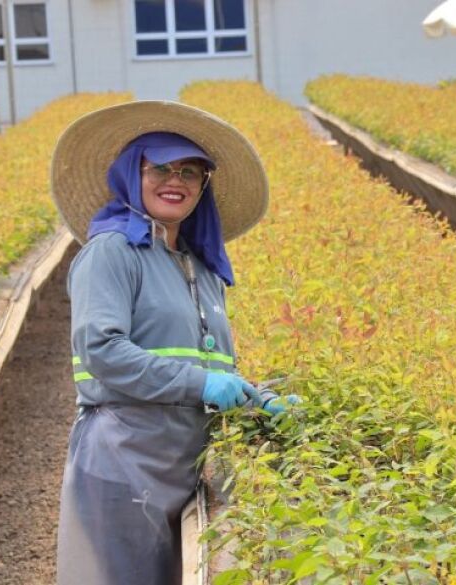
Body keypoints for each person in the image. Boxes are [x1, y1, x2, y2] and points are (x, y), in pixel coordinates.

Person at [49, 101, 299, 585]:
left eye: (190, 171)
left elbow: (206, 366)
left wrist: (257, 398)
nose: (176, 180)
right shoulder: (111, 254)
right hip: (124, 462)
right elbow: (102, 354)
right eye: (160, 166)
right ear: (131, 172)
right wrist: (202, 382)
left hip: (183, 464)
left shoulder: (200, 267)